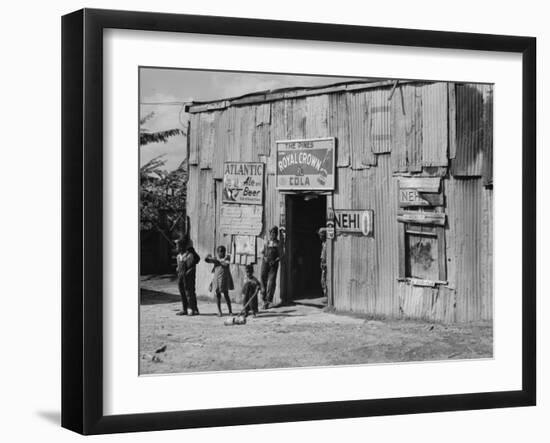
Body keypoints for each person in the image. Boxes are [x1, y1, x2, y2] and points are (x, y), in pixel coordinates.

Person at [205, 245, 234, 317]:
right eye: (220, 252)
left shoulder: (227, 258)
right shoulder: (216, 260)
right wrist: (208, 257)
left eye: (223, 251)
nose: (222, 253)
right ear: (218, 253)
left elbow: (225, 264)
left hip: (224, 280)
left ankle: (230, 311)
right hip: (217, 280)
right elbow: (207, 260)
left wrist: (216, 260)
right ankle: (219, 311)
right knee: (218, 296)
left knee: (226, 295)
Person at [175, 237, 201, 316]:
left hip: (188, 277)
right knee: (182, 292)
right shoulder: (178, 256)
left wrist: (186, 273)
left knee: (189, 293)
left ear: (182, 247)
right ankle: (184, 308)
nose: (176, 248)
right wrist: (178, 270)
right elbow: (178, 266)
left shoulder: (189, 255)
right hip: (180, 277)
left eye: (178, 246)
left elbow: (191, 267)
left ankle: (192, 308)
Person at [261, 226, 281, 309]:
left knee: (271, 282)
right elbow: (262, 252)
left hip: (274, 264)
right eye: (271, 233)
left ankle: (268, 301)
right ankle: (263, 300)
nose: (273, 234)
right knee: (263, 279)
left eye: (274, 233)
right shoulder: (267, 242)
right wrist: (265, 258)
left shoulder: (279, 243)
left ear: (276, 234)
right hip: (265, 263)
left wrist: (275, 260)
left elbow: (281, 255)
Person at [318, 228, 327, 298]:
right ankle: (325, 294)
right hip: (323, 263)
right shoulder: (323, 243)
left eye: (321, 235)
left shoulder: (327, 244)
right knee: (323, 280)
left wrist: (325, 263)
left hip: (325, 264)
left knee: (324, 280)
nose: (320, 237)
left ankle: (326, 296)